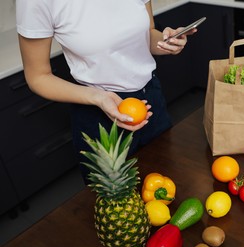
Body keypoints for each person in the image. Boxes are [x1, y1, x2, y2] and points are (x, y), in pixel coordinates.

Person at [16, 0, 196, 181]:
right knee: (117, 201)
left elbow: (147, 35)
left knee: (165, 183)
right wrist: (98, 98)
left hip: (150, 98)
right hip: (98, 111)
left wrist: (168, 42)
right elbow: (38, 77)